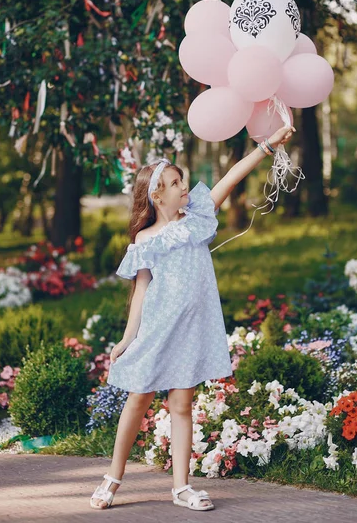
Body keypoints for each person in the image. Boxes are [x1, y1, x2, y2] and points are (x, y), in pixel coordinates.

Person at [90, 125, 296, 511]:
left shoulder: (199, 215)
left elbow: (232, 176)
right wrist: (127, 337)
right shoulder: (145, 240)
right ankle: (112, 478)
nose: (184, 185)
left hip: (190, 330)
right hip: (157, 329)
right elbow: (142, 291)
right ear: (157, 194)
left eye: (181, 179)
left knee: (182, 405)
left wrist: (267, 147)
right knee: (138, 400)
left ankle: (181, 487)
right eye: (175, 182)